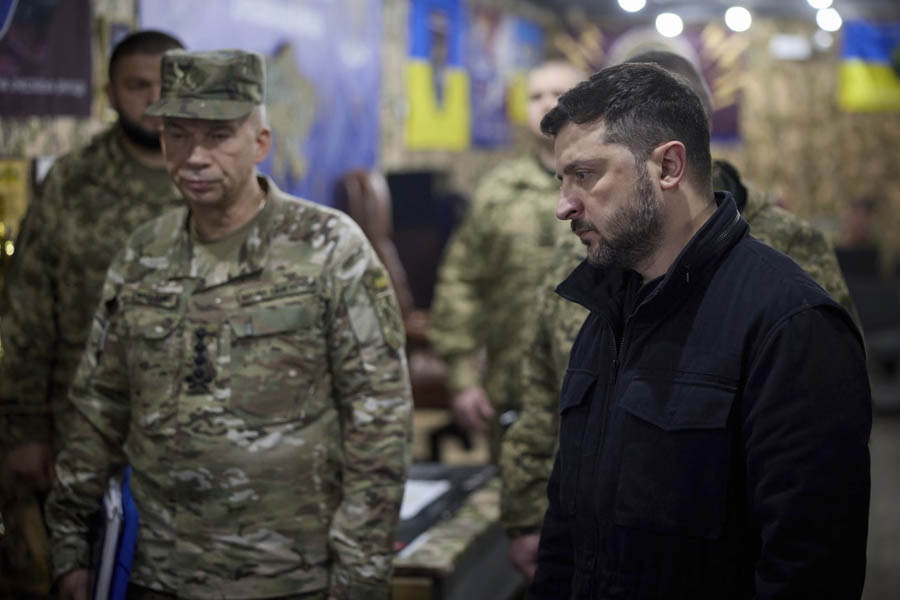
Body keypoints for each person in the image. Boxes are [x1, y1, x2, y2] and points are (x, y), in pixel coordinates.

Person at [44, 49, 413, 600]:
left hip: (291, 574)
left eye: (218, 137)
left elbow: (379, 420)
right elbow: (98, 405)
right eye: (177, 134)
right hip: (157, 572)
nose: (194, 157)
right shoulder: (143, 255)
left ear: (260, 143)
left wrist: (360, 576)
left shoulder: (330, 250)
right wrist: (70, 548)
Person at [499, 50, 861, 581]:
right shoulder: (605, 308)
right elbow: (569, 529)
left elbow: (808, 563)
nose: (564, 206)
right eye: (561, 179)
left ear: (668, 166)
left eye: (585, 175)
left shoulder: (790, 321)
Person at [0, 30, 184, 596]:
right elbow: (26, 312)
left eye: (167, 85)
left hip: (196, 438)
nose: (154, 100)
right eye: (137, 86)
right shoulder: (72, 182)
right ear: (109, 94)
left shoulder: (213, 178)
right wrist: (23, 429)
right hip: (84, 437)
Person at [428, 60, 583, 459]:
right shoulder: (497, 190)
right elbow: (461, 281)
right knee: (518, 509)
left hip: (600, 383)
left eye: (559, 94)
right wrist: (463, 377)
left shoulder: (612, 183)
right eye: (535, 96)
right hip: (515, 386)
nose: (546, 104)